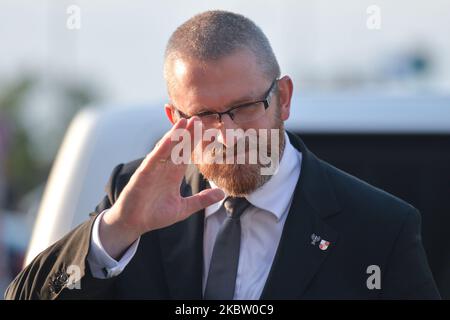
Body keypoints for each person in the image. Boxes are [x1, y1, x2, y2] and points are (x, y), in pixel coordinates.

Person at [5, 10, 440, 300]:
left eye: (244, 108)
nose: (227, 133)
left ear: (283, 98)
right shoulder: (134, 199)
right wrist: (118, 229)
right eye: (204, 115)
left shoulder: (380, 227)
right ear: (174, 117)